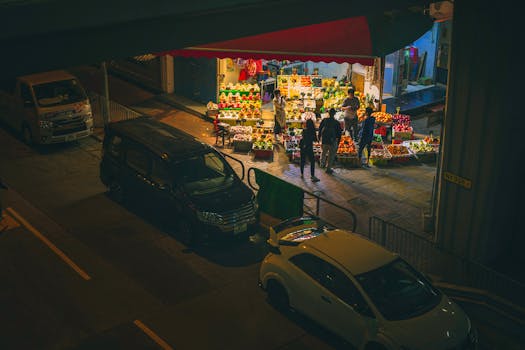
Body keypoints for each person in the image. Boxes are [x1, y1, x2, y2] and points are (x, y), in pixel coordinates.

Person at [318, 108, 342, 174]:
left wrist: (319, 137)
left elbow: (320, 129)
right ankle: (328, 168)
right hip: (332, 141)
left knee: (323, 152)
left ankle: (322, 164)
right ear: (334, 114)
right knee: (331, 155)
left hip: (324, 140)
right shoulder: (336, 122)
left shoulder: (324, 120)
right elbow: (339, 134)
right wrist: (338, 142)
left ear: (328, 113)